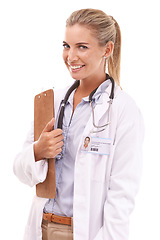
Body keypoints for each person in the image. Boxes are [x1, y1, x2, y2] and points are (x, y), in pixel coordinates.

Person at [13, 8, 144, 240]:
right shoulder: (50, 101)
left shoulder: (124, 111)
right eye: (66, 46)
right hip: (41, 227)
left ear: (108, 49)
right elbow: (21, 172)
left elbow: (121, 199)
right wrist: (38, 150)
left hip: (84, 234)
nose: (71, 56)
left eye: (82, 47)